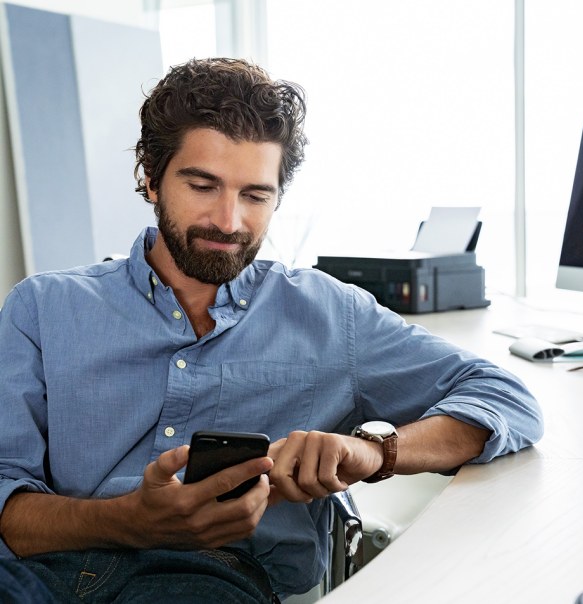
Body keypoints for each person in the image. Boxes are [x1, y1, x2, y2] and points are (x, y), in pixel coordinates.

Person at [0, 57, 543, 602]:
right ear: (149, 176)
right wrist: (129, 520)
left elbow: (506, 400)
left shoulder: (331, 315)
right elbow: (6, 502)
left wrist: (376, 451)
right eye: (203, 185)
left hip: (215, 577)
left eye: (255, 195)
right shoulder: (42, 309)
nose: (229, 221)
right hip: (39, 571)